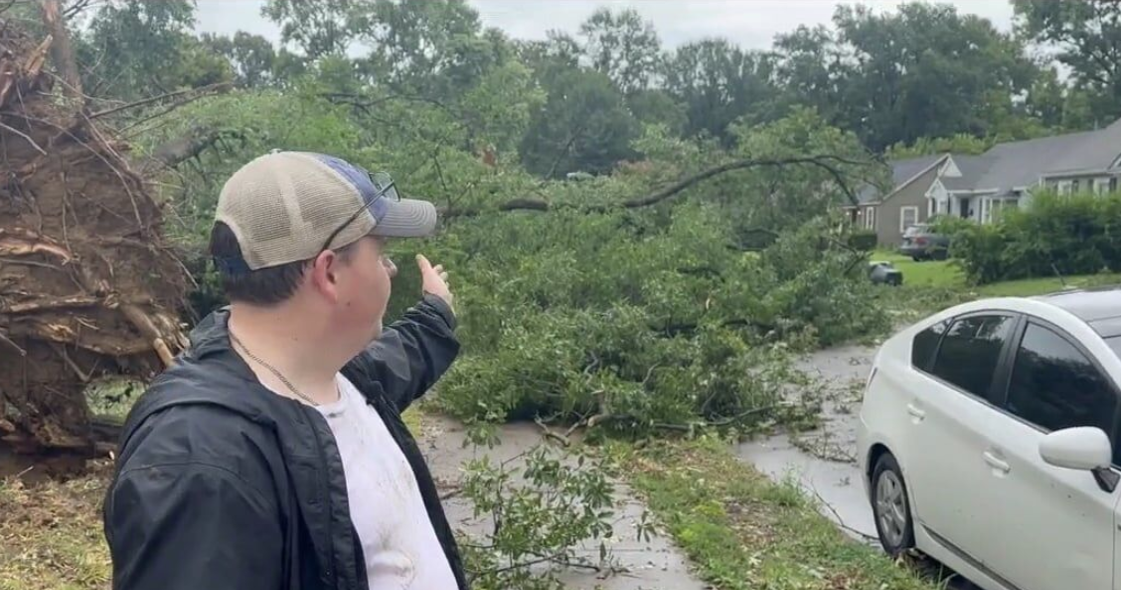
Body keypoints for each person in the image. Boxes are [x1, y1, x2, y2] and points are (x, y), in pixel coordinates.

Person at [102, 151, 467, 590]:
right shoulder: (200, 458)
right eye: (382, 253)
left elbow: (400, 360)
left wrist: (436, 313)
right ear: (329, 272)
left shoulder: (335, 376)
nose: (389, 269)